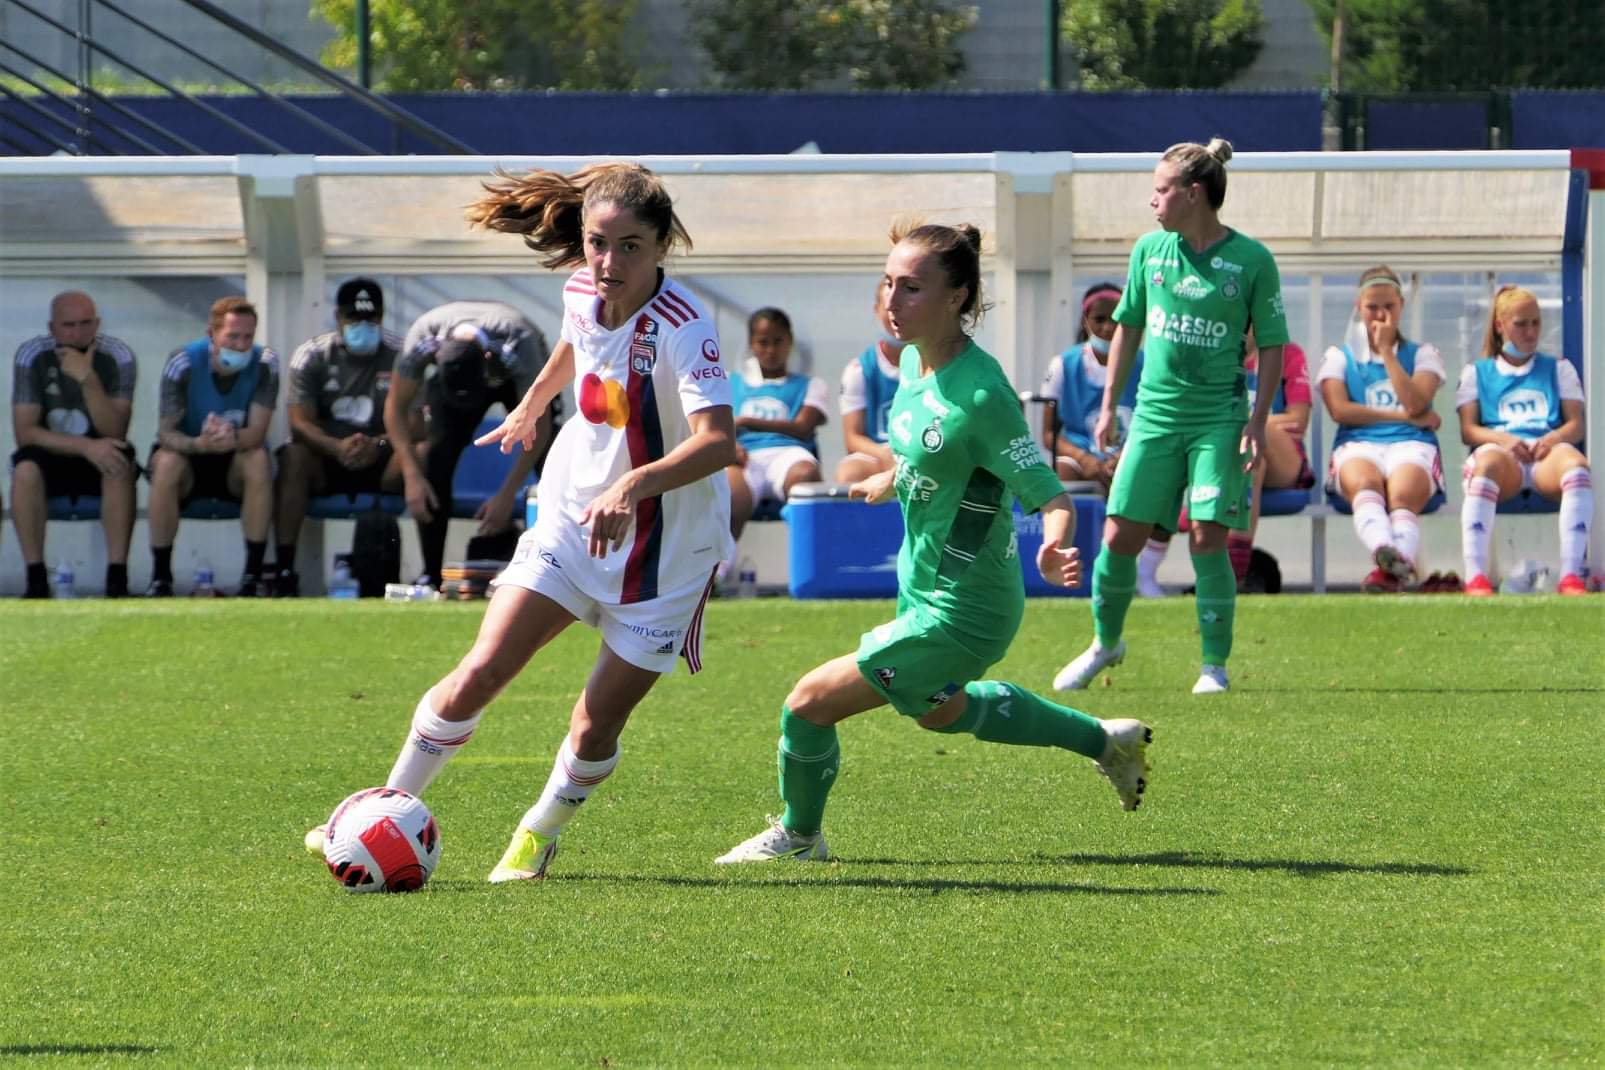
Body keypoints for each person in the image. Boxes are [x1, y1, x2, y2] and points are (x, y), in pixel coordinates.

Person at [305, 162, 738, 882]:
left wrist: (631, 486)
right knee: (481, 669)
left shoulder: (685, 328)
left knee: (596, 724)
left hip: (666, 553)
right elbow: (575, 343)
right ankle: (383, 807)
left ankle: (538, 834)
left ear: (661, 246)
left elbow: (719, 441)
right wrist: (533, 402)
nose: (609, 262)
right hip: (572, 521)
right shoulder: (578, 287)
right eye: (598, 243)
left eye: (630, 246)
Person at [717, 222, 1152, 865]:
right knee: (941, 714)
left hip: (966, 608)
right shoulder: (914, 360)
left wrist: (1055, 545)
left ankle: (800, 835)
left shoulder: (983, 394)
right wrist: (893, 478)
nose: (893, 300)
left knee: (807, 705)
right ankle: (1105, 741)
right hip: (922, 589)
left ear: (958, 298)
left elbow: (1051, 496)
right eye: (889, 283)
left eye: (912, 288)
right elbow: (940, 453)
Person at [1053, 138, 1288, 697]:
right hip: (1156, 419)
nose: (1152, 200)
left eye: (1161, 190)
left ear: (1194, 194)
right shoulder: (1149, 252)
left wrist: (1257, 422)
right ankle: (1104, 643)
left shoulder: (1252, 261)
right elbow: (1129, 325)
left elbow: (1274, 344)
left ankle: (1214, 666)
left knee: (1207, 537)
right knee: (1118, 537)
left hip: (1219, 420)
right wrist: (1110, 404)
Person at [390, 299, 556, 590]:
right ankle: (431, 576)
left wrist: (507, 496)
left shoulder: (519, 345)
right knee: (433, 458)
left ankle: (561, 564)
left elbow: (539, 429)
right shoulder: (422, 340)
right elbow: (394, 408)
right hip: (457, 376)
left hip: (510, 377)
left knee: (553, 456)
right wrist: (412, 476)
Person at [1135, 326, 1312, 595]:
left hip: (1284, 462)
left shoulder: (1287, 353)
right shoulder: (1209, 355)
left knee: (1248, 430)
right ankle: (1229, 573)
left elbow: (1297, 422)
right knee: (1247, 457)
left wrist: (1241, 423)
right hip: (1234, 461)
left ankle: (1203, 531)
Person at [272, 278, 407, 596]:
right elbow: (299, 423)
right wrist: (335, 447)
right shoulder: (312, 355)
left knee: (422, 452)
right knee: (292, 456)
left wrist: (380, 444)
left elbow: (416, 422)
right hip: (327, 459)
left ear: (382, 317)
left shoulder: (402, 354)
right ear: (337, 318)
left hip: (384, 457)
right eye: (353, 318)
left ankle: (431, 573)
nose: (363, 325)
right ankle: (283, 570)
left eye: (371, 319)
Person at [1316, 266, 1445, 592]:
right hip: (1359, 444)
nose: (1381, 315)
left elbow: (1417, 402)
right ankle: (1388, 555)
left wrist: (1387, 352)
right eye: (1373, 306)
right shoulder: (1339, 356)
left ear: (1401, 305)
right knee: (1363, 481)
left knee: (1402, 492)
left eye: (1389, 306)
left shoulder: (1423, 354)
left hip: (1412, 445)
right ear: (1359, 307)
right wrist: (1403, 417)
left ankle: (1390, 567)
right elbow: (1340, 410)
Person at [1456, 284, 1591, 596]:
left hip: (1545, 456)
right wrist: (1503, 439)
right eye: (1521, 324)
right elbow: (1469, 430)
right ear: (1500, 326)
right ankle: (1475, 577)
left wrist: (1552, 438)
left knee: (1577, 466)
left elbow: (1576, 425)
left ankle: (1571, 576)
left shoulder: (1559, 368)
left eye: (1536, 322)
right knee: (1486, 462)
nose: (1531, 332)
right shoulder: (1477, 372)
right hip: (1503, 460)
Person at [146, 296, 279, 597]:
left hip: (235, 459)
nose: (241, 345)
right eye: (232, 336)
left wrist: (230, 438)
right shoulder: (182, 362)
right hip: (190, 457)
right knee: (165, 462)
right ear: (212, 334)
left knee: (258, 459)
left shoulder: (266, 363)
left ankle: (252, 577)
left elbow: (257, 432)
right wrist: (200, 443)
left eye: (247, 337)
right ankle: (161, 577)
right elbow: (166, 433)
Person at [9, 291, 138, 598]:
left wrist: (88, 379)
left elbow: (116, 429)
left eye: (85, 324)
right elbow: (25, 432)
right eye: (68, 325)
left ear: (97, 324)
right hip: (52, 452)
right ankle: (36, 581)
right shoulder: (32, 355)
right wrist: (85, 447)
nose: (77, 333)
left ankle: (117, 580)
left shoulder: (118, 355)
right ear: (52, 328)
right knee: (25, 469)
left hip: (102, 452)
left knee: (118, 461)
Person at [726, 306, 827, 541]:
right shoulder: (729, 382)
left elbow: (803, 428)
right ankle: (718, 570)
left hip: (789, 455)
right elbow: (713, 426)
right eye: (763, 342)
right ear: (751, 344)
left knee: (806, 477)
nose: (771, 350)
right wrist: (729, 446)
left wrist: (745, 422)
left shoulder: (811, 385)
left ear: (790, 341)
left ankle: (812, 562)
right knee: (728, 495)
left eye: (778, 341)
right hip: (744, 458)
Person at [1039, 281, 1143, 492]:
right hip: (1079, 455)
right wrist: (1084, 459)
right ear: (1085, 321)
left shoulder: (1145, 365)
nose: (1108, 327)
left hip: (1131, 454)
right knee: (1064, 468)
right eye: (1099, 319)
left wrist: (1121, 458)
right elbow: (1049, 434)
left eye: (1116, 319)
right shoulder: (1063, 365)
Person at [833, 285, 904, 484]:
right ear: (877, 310)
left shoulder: (935, 363)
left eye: (901, 306)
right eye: (889, 307)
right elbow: (852, 437)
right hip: (878, 454)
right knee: (849, 473)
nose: (895, 315)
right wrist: (884, 455)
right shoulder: (859, 370)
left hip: (924, 453)